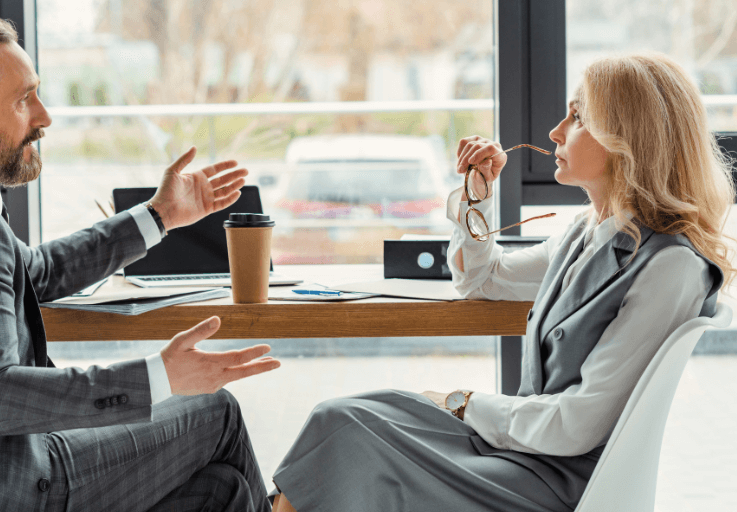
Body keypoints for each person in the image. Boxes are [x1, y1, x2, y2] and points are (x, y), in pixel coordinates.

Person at [0, 14, 280, 512]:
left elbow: (34, 272)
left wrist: (160, 216)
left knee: (224, 490)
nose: (44, 117)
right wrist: (161, 377)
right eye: (23, 99)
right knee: (216, 411)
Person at [269, 52, 734, 512]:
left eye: (578, 116)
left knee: (350, 432)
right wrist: (479, 196)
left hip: (557, 478)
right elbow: (482, 280)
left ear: (627, 138)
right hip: (526, 447)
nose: (555, 132)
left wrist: (462, 401)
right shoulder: (585, 234)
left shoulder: (670, 267)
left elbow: (576, 426)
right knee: (345, 417)